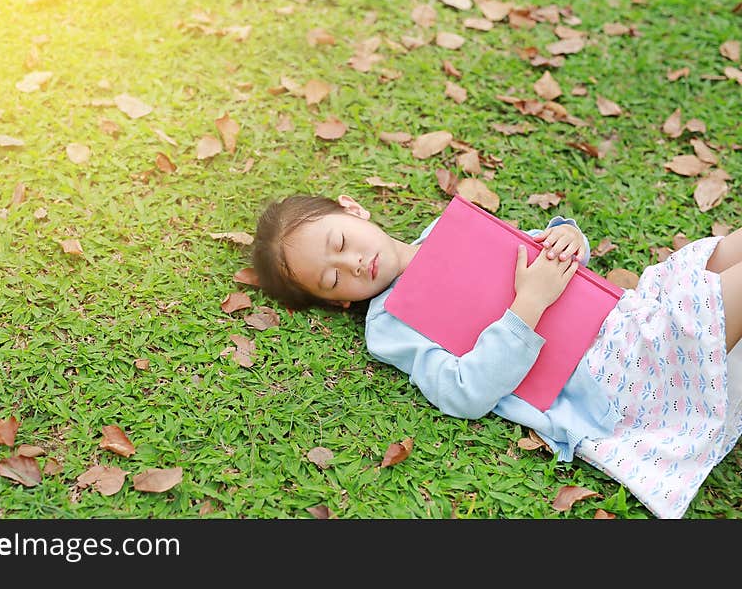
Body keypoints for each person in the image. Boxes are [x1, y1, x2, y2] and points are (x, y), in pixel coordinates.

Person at [251, 193, 742, 519]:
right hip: (608, 377)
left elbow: (553, 258)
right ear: (338, 301)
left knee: (719, 259)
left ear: (354, 210)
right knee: (706, 298)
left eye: (340, 243)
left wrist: (567, 239)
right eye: (334, 279)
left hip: (625, 317)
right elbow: (465, 393)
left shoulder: (453, 228)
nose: (352, 263)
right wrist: (528, 304)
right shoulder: (389, 326)